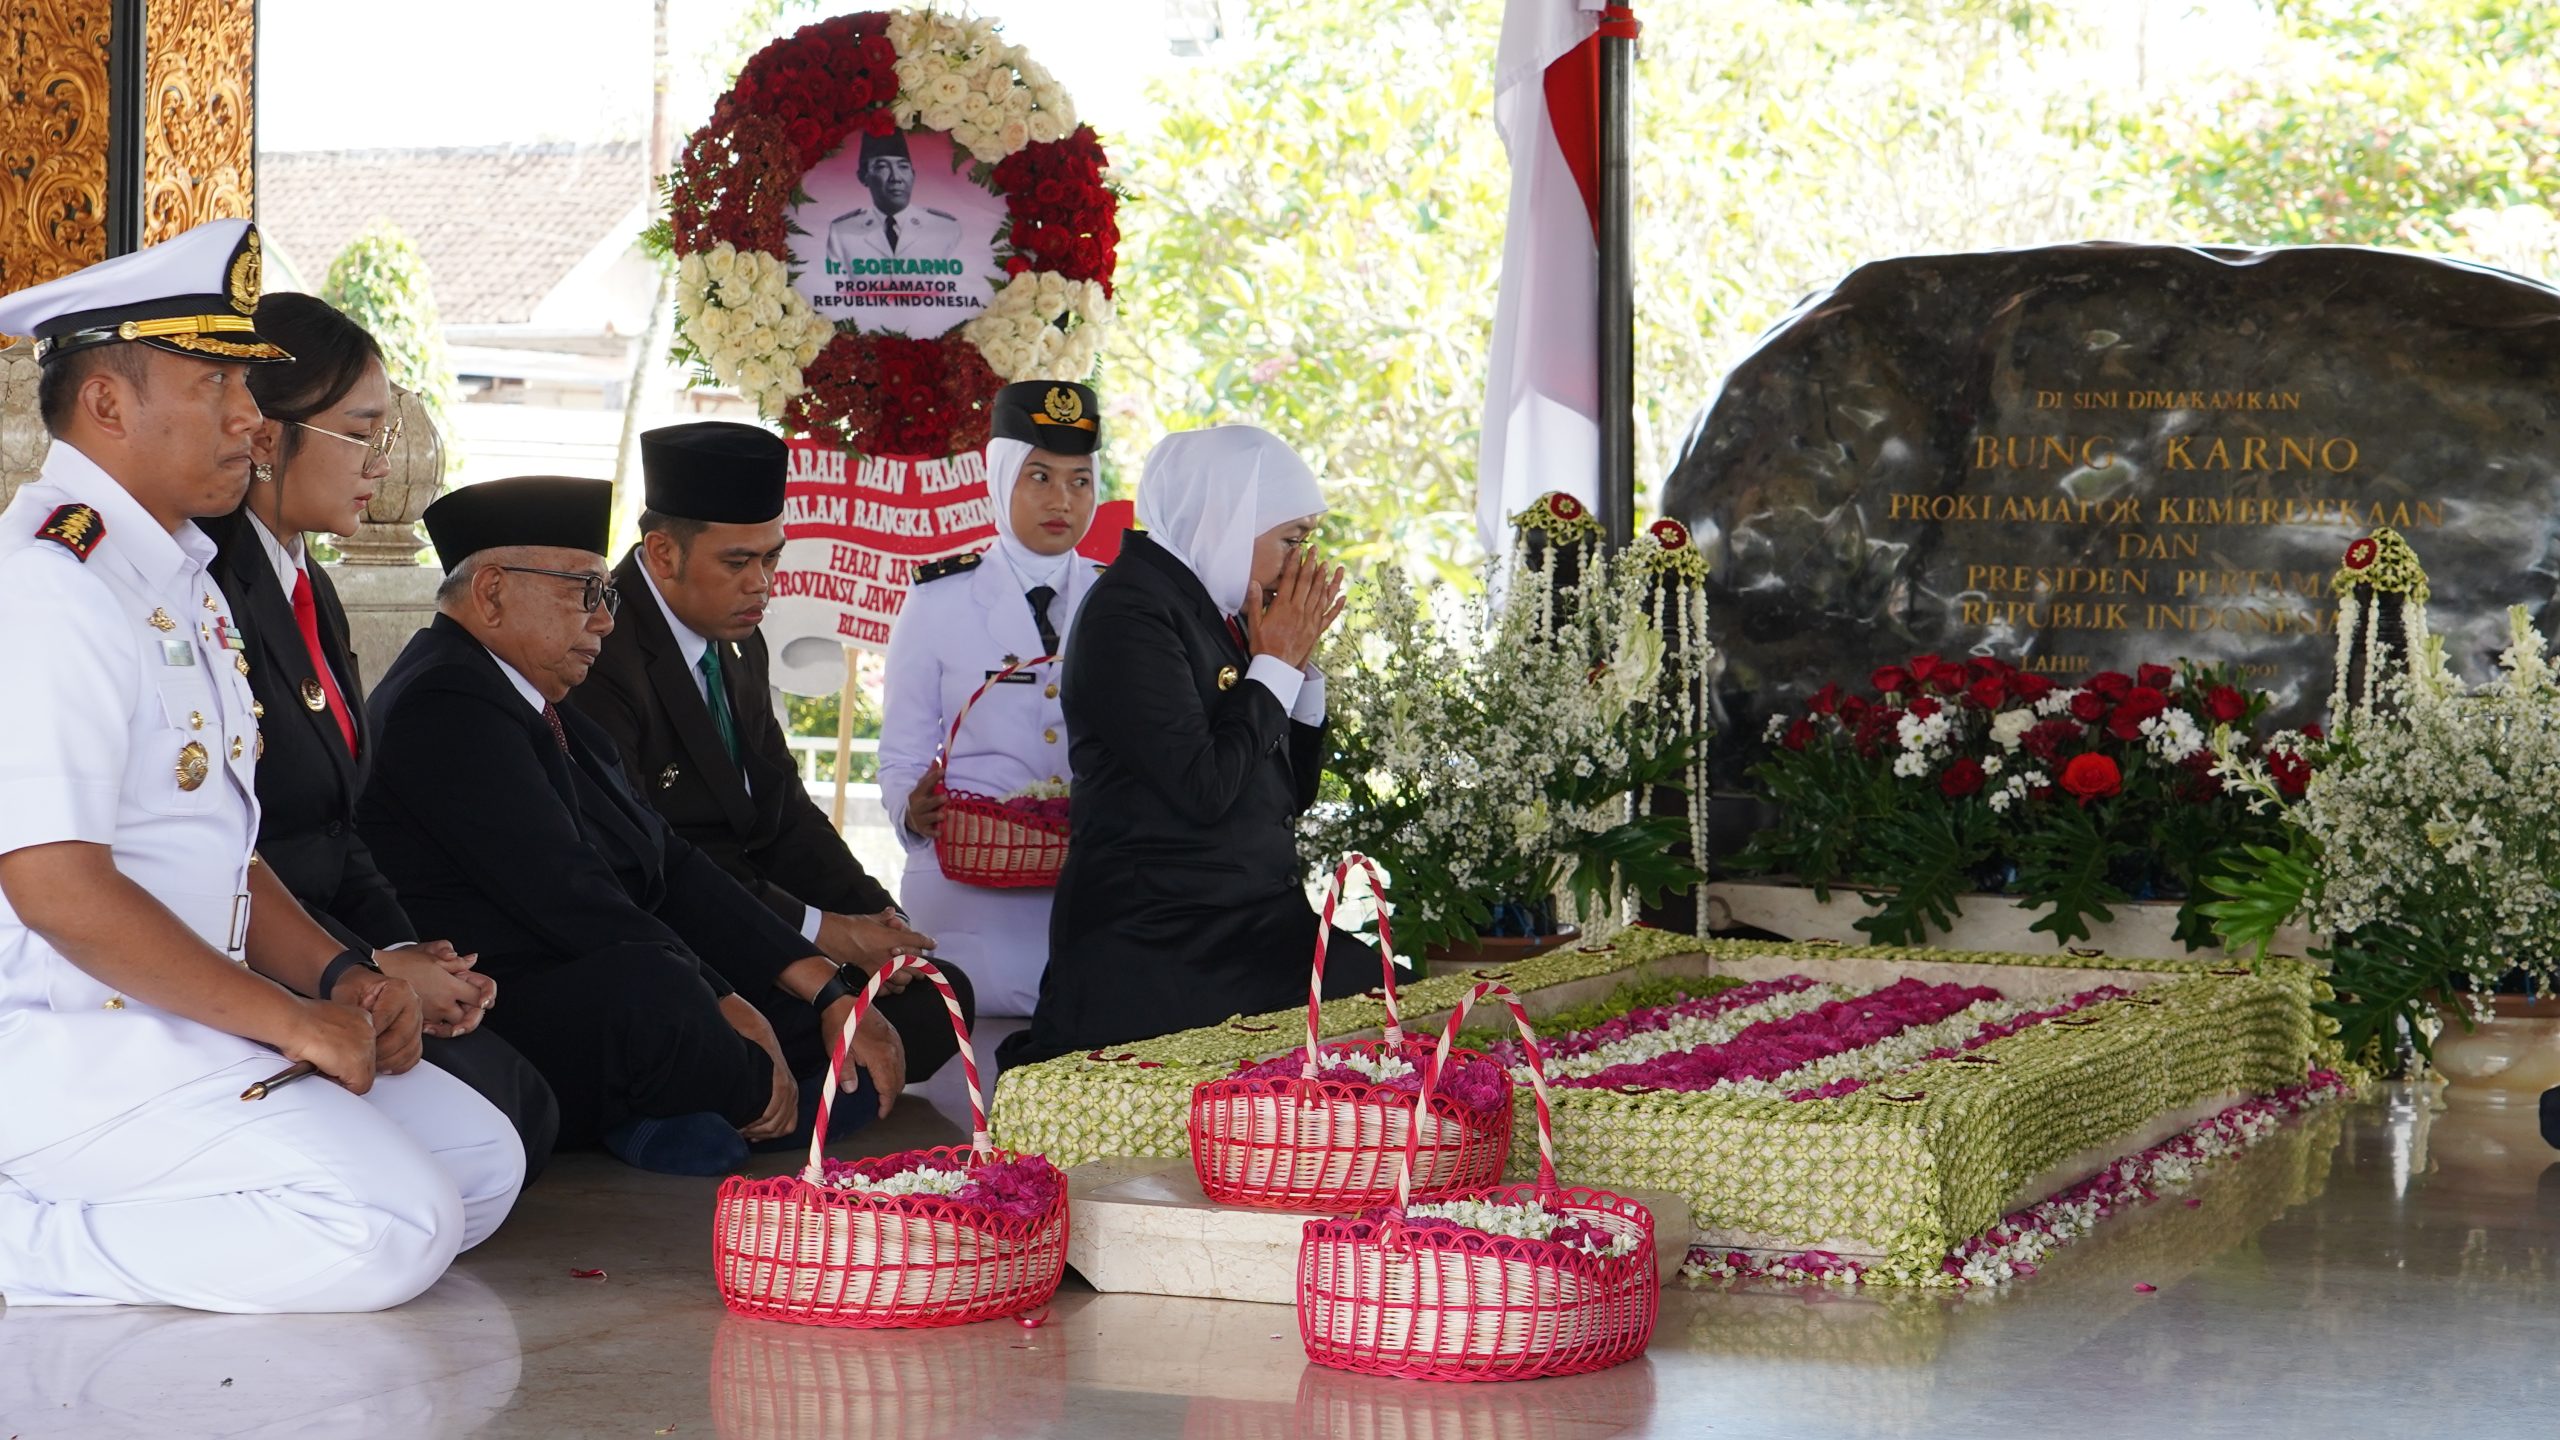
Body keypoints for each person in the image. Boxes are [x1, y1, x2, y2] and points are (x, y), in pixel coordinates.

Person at [0, 218, 521, 1312]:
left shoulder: (178, 575)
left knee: (480, 1166)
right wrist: (285, 1020)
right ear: (108, 404)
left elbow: (220, 852)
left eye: (247, 385)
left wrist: (344, 980)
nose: (252, 418)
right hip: (71, 1045)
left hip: (191, 1013)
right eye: (217, 386)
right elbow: (53, 885)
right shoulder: (53, 583)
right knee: (395, 1225)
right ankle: (22, 1245)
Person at [358, 477, 909, 1176]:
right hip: (506, 998)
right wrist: (722, 999)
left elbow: (671, 863)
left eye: (607, 597)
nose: (604, 622)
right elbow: (568, 894)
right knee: (660, 993)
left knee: (872, 1005)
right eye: (585, 593)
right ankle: (735, 1102)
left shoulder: (547, 707)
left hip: (601, 967)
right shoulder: (444, 699)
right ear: (492, 593)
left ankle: (702, 1104)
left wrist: (824, 987)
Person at [202, 290, 561, 1180]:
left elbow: (339, 821)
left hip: (339, 949)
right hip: (248, 961)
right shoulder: (205, 589)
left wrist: (406, 953)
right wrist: (363, 967)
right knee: (483, 1140)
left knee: (526, 1099)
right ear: (267, 437)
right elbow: (235, 848)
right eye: (362, 433)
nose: (382, 463)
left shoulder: (310, 587)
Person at [567, 419, 972, 1079]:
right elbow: (648, 863)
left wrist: (877, 918)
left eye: (771, 558)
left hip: (768, 917)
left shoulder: (739, 638)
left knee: (938, 994)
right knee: (760, 1035)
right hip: (679, 934)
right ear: (663, 554)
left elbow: (785, 810)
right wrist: (822, 933)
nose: (762, 583)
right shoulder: (598, 651)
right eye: (738, 562)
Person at [1002, 425, 1361, 1068]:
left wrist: (1297, 670)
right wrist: (1273, 665)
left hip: (1245, 929)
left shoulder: (1215, 610)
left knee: (1403, 1004)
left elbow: (1290, 795)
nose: (1299, 564)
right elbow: (1204, 788)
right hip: (1166, 941)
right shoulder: (1130, 613)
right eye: (1291, 540)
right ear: (1228, 519)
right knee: (1380, 1027)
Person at [877, 381, 1105, 1017]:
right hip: (968, 882)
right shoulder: (938, 598)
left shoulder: (1118, 599)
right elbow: (901, 750)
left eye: (1080, 480)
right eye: (1039, 477)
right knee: (963, 1059)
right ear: (1002, 479)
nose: (1062, 500)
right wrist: (909, 810)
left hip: (1086, 885)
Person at [825, 130, 962, 266]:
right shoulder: (842, 230)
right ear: (862, 177)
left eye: (903, 166)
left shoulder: (945, 228)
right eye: (882, 167)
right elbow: (833, 276)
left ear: (913, 175)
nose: (896, 178)